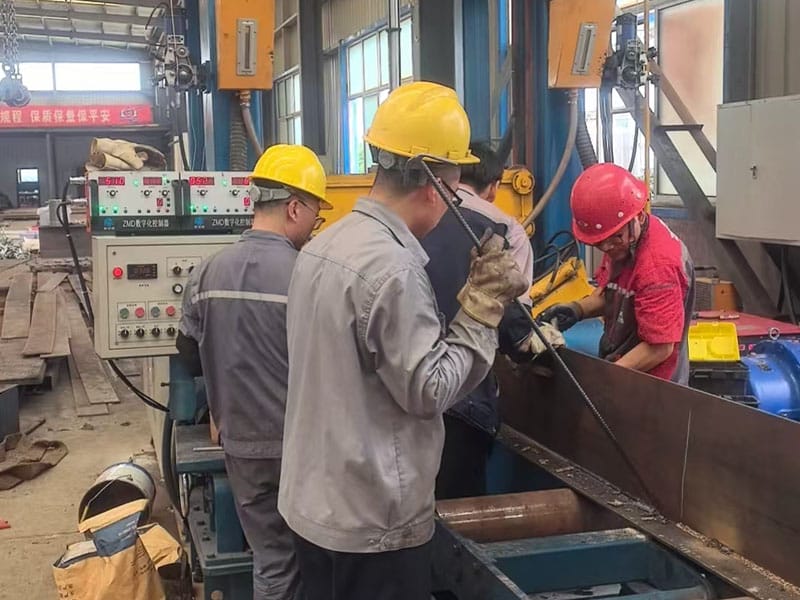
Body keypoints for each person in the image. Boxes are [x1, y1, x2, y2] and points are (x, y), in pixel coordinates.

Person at [278, 81, 529, 600]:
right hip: (373, 525)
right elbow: (429, 389)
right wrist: (481, 309)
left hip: (312, 507)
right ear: (434, 185)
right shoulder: (394, 269)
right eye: (454, 190)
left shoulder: (323, 246)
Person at [176, 144, 331, 600]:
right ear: (294, 207)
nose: (314, 226)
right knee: (320, 561)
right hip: (300, 448)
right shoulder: (308, 275)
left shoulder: (207, 272)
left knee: (272, 561)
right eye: (316, 214)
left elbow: (188, 353)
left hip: (240, 444)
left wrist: (219, 406)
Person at [422, 141, 563, 500]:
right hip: (463, 397)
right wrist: (536, 344)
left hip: (407, 393)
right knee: (461, 504)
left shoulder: (417, 216)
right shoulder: (502, 229)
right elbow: (514, 322)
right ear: (495, 186)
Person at [540, 163, 695, 384]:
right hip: (621, 363)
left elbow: (659, 348)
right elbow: (614, 294)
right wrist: (577, 309)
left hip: (652, 386)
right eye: (599, 243)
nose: (607, 248)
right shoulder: (621, 237)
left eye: (614, 239)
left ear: (638, 217)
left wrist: (606, 376)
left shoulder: (658, 266)